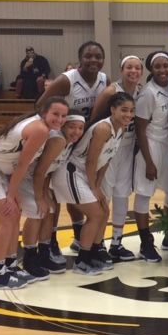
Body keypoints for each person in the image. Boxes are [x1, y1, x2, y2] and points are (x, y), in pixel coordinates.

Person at [0, 97, 69, 289]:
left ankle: (10, 265)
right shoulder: (40, 129)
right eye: (55, 114)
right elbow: (23, 165)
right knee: (7, 218)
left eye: (63, 116)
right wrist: (11, 195)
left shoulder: (42, 127)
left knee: (14, 216)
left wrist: (13, 194)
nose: (60, 119)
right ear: (44, 112)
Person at [37, 41, 109, 256]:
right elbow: (40, 106)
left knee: (74, 192)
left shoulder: (104, 80)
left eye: (98, 56)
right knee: (54, 195)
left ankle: (79, 236)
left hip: (82, 142)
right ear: (80, 58)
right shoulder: (66, 80)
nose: (93, 60)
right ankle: (50, 242)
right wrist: (57, 129)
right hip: (60, 140)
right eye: (88, 56)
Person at [51, 92, 134, 275]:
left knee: (104, 210)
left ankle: (95, 252)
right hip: (71, 171)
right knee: (96, 214)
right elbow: (90, 160)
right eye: (124, 110)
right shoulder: (104, 128)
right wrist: (94, 187)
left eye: (131, 111)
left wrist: (98, 185)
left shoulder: (121, 129)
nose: (128, 114)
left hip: (87, 173)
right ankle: (82, 261)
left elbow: (106, 160)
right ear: (113, 109)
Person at [18, 111, 85, 280]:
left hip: (37, 177)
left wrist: (46, 194)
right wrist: (41, 197)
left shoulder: (68, 142)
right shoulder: (57, 140)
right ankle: (29, 258)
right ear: (63, 126)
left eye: (80, 128)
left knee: (50, 210)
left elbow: (47, 170)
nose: (76, 132)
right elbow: (39, 171)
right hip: (24, 176)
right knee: (37, 210)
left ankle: (43, 253)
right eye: (72, 127)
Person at [90, 55, 143, 262]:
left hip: (128, 147)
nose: (133, 71)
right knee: (104, 195)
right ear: (122, 70)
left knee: (122, 195)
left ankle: (117, 243)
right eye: (129, 67)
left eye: (137, 68)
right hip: (109, 148)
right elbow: (94, 120)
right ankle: (98, 244)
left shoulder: (141, 91)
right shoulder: (111, 91)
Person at [133, 51, 168, 263]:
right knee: (144, 193)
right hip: (150, 145)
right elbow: (140, 130)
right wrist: (148, 161)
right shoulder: (148, 93)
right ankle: (145, 243)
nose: (162, 70)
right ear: (151, 69)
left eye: (165, 66)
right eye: (157, 67)